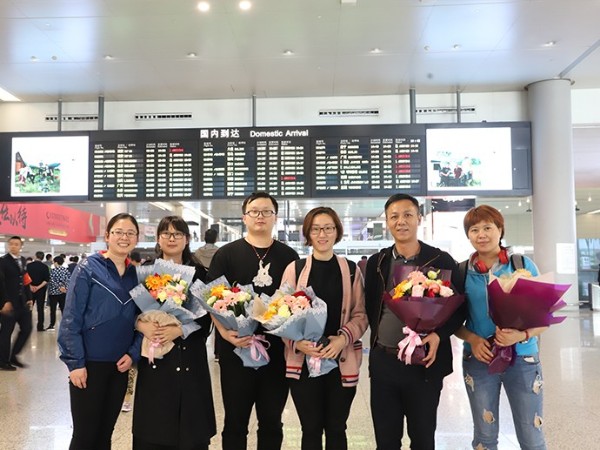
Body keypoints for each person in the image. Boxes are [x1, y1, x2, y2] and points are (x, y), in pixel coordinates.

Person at [364, 193, 465, 450]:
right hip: (384, 362)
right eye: (394, 216)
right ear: (387, 222)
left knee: (422, 439)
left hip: (425, 365)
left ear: (419, 218)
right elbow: (370, 306)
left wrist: (439, 335)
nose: (401, 221)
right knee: (386, 441)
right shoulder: (378, 262)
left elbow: (459, 307)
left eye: (407, 215)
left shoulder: (440, 260)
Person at [207, 191, 299, 450]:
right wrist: (223, 332)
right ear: (244, 217)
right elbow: (211, 298)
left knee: (272, 422)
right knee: (235, 422)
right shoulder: (226, 254)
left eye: (266, 211)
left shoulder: (289, 256)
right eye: (254, 211)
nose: (260, 216)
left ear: (275, 217)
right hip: (236, 349)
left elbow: (297, 300)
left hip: (277, 351)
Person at [455, 205, 547, 450]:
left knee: (532, 436)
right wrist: (473, 340)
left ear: (500, 230)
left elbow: (544, 317)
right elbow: (451, 321)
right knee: (484, 436)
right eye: (474, 229)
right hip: (479, 359)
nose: (481, 234)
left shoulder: (522, 266)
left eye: (488, 227)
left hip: (523, 358)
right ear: (468, 235)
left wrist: (521, 335)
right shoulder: (461, 272)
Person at [280, 206, 368, 450]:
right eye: (316, 229)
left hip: (340, 361)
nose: (322, 234)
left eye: (328, 228)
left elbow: (361, 315)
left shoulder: (351, 270)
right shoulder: (295, 269)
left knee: (337, 428)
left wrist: (342, 339)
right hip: (304, 363)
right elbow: (279, 315)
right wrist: (297, 343)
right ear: (308, 233)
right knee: (310, 429)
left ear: (337, 232)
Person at [57, 213, 143, 449]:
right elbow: (71, 317)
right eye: (118, 232)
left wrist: (133, 353)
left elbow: (143, 319)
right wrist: (75, 363)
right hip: (89, 365)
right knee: (84, 436)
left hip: (120, 366)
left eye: (130, 233)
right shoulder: (88, 268)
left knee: (105, 434)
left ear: (137, 238)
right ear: (107, 236)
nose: (124, 237)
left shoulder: (136, 276)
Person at [132, 215, 216, 450]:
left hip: (190, 356)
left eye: (178, 233)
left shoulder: (200, 274)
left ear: (187, 239)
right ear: (158, 239)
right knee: (155, 426)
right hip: (156, 355)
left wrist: (179, 329)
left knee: (191, 427)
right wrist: (141, 325)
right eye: (166, 233)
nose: (172, 238)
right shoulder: (146, 272)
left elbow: (207, 319)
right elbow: (130, 313)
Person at [0, 236, 33, 370]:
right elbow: (1, 283)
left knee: (27, 328)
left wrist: (29, 297)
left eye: (16, 244)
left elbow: (26, 280)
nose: (13, 246)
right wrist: (4, 302)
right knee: (6, 332)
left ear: (21, 246)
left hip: (22, 302)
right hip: (8, 303)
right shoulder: (3, 261)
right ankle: (3, 361)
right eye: (11, 244)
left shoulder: (23, 261)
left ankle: (13, 356)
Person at [27, 251, 50, 331]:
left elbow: (25, 278)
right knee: (40, 309)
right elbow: (46, 280)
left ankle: (27, 326)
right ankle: (40, 327)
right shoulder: (45, 267)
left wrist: (31, 286)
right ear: (42, 258)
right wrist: (38, 287)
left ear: (35, 256)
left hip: (30, 290)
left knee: (29, 308)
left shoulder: (28, 266)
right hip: (41, 290)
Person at [47, 255, 69, 330]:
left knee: (53, 310)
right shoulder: (66, 270)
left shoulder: (52, 271)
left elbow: (51, 281)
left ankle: (52, 325)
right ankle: (66, 324)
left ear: (56, 262)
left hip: (53, 293)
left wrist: (59, 287)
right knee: (63, 309)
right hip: (63, 293)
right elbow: (68, 280)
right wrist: (64, 288)